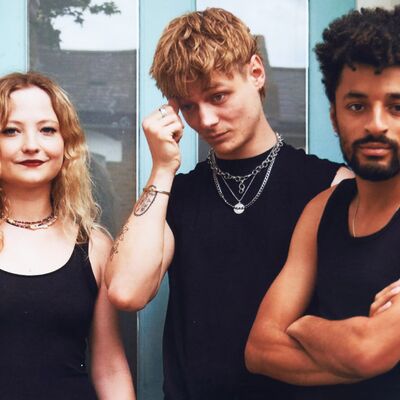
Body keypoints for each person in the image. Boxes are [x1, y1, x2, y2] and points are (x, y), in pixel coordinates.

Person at [106, 8, 350, 400]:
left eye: (218, 96)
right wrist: (162, 169)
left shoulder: (332, 184)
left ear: (255, 73)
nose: (206, 120)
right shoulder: (177, 194)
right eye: (188, 106)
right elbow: (126, 292)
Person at [245, 6, 400, 399]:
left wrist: (302, 325)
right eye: (357, 106)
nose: (376, 124)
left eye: (396, 107)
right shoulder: (322, 209)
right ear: (333, 116)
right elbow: (260, 349)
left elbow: (367, 352)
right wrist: (347, 343)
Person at [0, 71, 136, 400]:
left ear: (66, 143)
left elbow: (110, 367)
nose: (31, 145)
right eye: (11, 131)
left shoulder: (95, 246)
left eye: (47, 130)